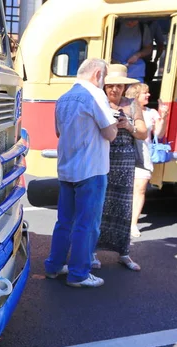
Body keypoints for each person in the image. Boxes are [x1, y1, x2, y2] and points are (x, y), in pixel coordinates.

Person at [44, 58, 118, 288]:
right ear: (97, 74)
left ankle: (54, 266)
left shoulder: (63, 98)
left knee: (64, 221)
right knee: (87, 224)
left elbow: (58, 132)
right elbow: (109, 134)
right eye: (104, 77)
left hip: (67, 168)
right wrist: (118, 124)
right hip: (91, 169)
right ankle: (79, 274)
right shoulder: (95, 96)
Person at [93, 65, 147, 272]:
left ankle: (123, 252)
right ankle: (92, 251)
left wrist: (128, 125)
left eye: (119, 86)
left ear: (124, 88)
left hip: (124, 159)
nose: (114, 90)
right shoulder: (99, 103)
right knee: (99, 205)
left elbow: (142, 133)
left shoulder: (132, 105)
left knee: (124, 206)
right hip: (103, 157)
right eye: (110, 85)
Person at [125, 83, 169, 237]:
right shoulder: (126, 109)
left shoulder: (151, 112)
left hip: (144, 154)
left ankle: (133, 224)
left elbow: (159, 134)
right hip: (126, 153)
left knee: (140, 189)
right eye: (145, 93)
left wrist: (163, 117)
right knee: (124, 190)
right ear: (136, 95)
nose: (149, 95)